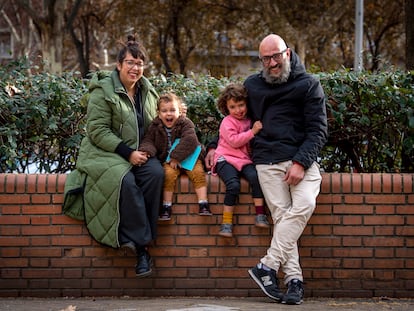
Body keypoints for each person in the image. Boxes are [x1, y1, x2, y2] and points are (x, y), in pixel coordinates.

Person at [205, 34, 328, 305]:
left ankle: (267, 266)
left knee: (304, 205)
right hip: (267, 163)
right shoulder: (253, 85)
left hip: (301, 161)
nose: (272, 63)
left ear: (288, 52)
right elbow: (236, 118)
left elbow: (318, 130)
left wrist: (300, 162)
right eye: (265, 58)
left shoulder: (308, 84)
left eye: (276, 56)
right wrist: (214, 146)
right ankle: (294, 281)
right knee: (283, 216)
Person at [62, 34, 164, 278]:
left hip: (139, 153)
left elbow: (155, 126)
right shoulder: (102, 91)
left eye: (140, 63)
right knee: (125, 181)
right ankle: (143, 248)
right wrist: (128, 153)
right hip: (105, 152)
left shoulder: (148, 93)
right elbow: (97, 130)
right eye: (130, 62)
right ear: (119, 65)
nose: (135, 68)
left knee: (156, 174)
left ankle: (139, 240)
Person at [138, 92, 212, 221]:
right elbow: (149, 140)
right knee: (168, 175)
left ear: (180, 111)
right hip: (169, 161)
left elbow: (190, 139)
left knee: (198, 173)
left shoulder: (185, 123)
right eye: (164, 111)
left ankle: (203, 203)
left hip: (189, 157)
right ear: (159, 113)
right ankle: (166, 206)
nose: (169, 114)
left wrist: (176, 156)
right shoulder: (155, 126)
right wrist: (146, 150)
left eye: (173, 110)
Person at [211, 83, 269, 238]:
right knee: (233, 185)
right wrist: (253, 132)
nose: (238, 110)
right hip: (226, 159)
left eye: (241, 105)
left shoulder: (249, 121)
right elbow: (234, 141)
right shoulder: (227, 122)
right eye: (233, 107)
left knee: (256, 178)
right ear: (226, 108)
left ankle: (260, 215)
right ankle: (226, 223)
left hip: (243, 160)